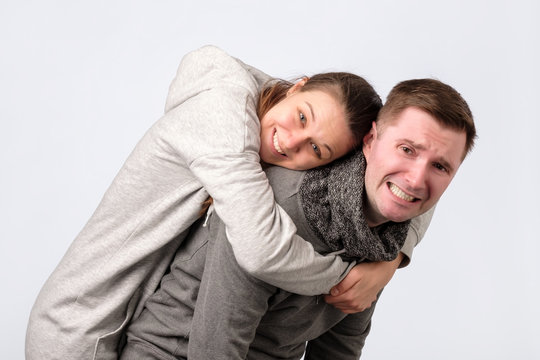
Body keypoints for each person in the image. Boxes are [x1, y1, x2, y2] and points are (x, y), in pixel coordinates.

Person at [26, 46, 423, 360]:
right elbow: (260, 249)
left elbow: (402, 177)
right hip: (83, 331)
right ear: (297, 85)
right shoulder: (226, 122)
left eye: (316, 149)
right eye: (302, 118)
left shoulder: (273, 107)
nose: (291, 141)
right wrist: (354, 276)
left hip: (136, 323)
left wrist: (392, 257)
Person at [120, 78, 476, 359]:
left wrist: (390, 261)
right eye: (407, 150)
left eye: (440, 166)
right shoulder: (279, 205)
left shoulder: (386, 237)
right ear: (370, 141)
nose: (415, 179)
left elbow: (340, 348)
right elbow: (216, 343)